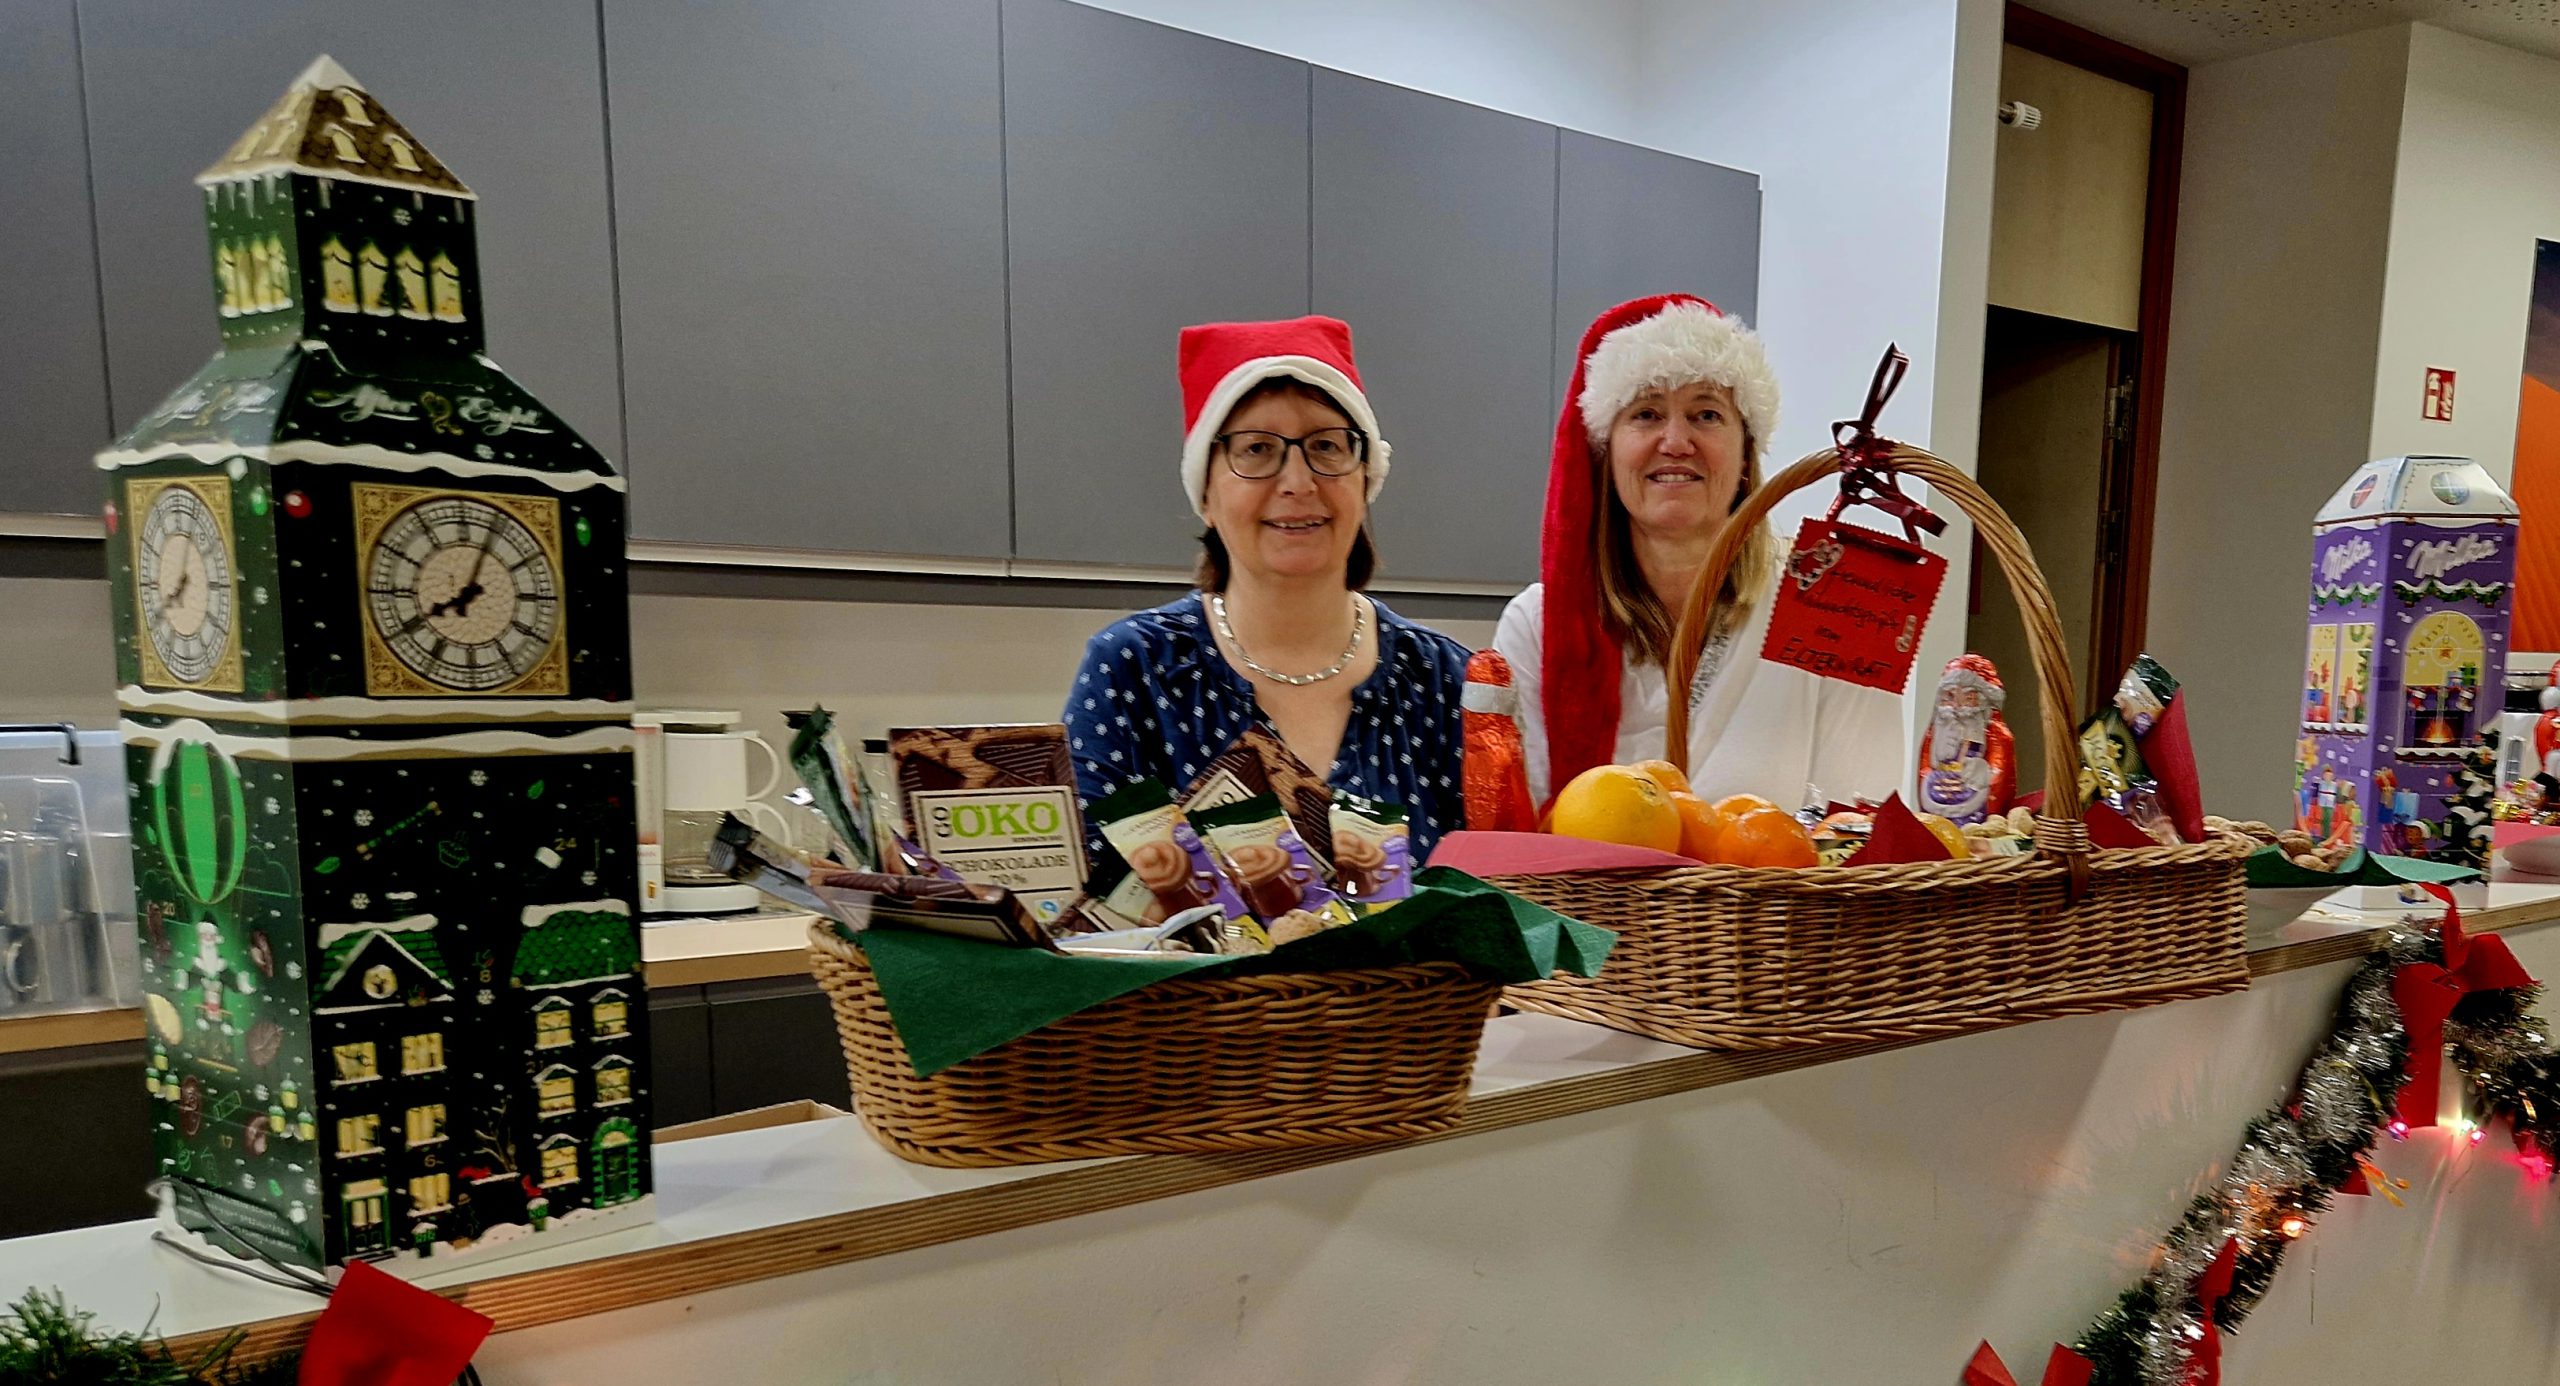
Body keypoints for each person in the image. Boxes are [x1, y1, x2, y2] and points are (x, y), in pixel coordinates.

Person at [1065, 316, 1469, 857]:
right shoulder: (1133, 670)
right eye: (1256, 449)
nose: (1298, 482)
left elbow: (1497, 888)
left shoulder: (1445, 682)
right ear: (1205, 493)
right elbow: (1087, 885)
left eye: (1326, 446)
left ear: (1365, 478)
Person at [1492, 294, 1906, 810]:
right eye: (1646, 414)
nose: (1675, 442)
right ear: (1606, 452)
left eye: (1706, 414)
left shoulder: (1841, 606)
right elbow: (1524, 830)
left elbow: (1859, 832)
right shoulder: (1536, 626)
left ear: (1745, 452)